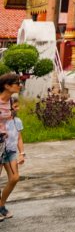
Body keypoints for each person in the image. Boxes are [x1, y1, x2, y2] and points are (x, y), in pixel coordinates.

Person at [0, 72, 25, 220]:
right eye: (16, 83)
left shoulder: (10, 102)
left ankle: (1, 205)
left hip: (6, 144)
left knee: (15, 178)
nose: (19, 85)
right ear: (7, 86)